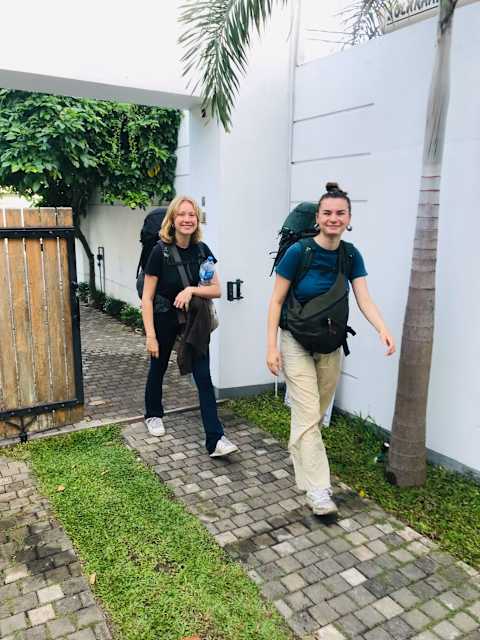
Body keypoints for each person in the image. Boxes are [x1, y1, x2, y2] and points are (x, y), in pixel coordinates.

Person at [266, 182, 395, 515]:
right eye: (327, 213)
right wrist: (271, 347)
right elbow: (276, 301)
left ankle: (300, 450)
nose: (333, 218)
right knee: (309, 414)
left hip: (331, 343)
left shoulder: (350, 255)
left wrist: (382, 328)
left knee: (313, 414)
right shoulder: (299, 253)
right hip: (295, 340)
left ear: (349, 218)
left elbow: (364, 298)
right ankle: (319, 491)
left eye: (340, 213)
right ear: (318, 218)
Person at [142, 195, 238, 458]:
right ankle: (153, 414)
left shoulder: (202, 250)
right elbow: (147, 298)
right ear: (172, 220)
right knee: (158, 367)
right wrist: (150, 335)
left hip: (194, 322)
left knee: (204, 378)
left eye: (192, 215)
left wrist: (191, 290)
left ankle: (215, 439)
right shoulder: (159, 252)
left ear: (197, 219)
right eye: (182, 215)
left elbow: (216, 289)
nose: (187, 219)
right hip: (164, 318)